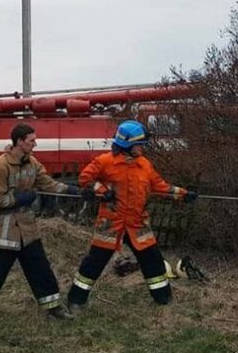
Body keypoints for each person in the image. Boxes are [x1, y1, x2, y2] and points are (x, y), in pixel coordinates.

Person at [66, 120, 197, 311]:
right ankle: (76, 300)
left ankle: (163, 299)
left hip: (137, 224)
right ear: (127, 144)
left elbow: (160, 186)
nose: (142, 149)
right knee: (94, 263)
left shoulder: (144, 165)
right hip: (111, 223)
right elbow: (85, 179)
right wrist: (102, 190)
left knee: (153, 261)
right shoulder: (105, 161)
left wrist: (183, 194)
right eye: (139, 145)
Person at [0, 123, 78, 325]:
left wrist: (73, 191)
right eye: (31, 140)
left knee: (41, 269)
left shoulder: (32, 163)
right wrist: (19, 199)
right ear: (19, 141)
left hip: (28, 230)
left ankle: (53, 307)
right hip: (6, 229)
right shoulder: (0, 166)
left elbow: (48, 184)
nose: (35, 144)